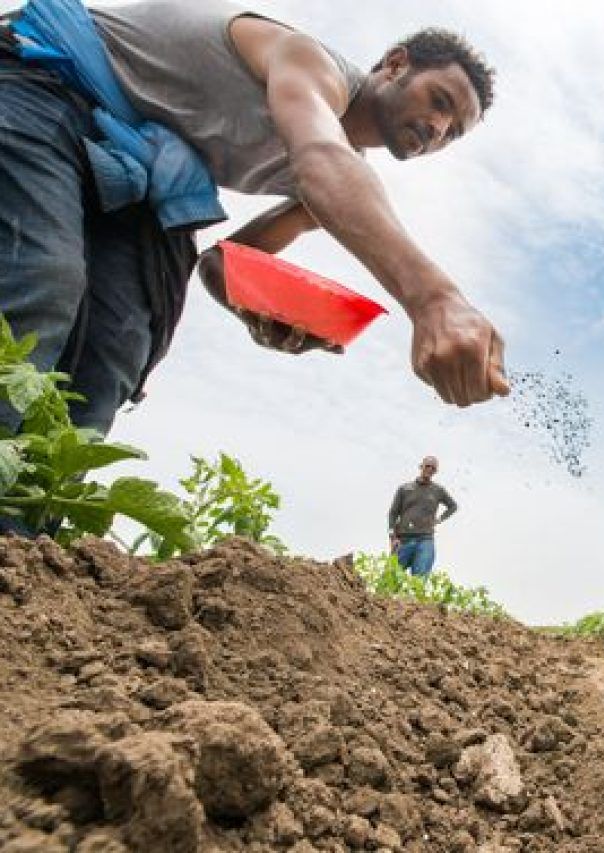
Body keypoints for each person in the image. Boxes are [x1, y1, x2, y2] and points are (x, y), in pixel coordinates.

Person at [0, 0, 510, 439]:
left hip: (130, 163)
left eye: (454, 132)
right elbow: (321, 159)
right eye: (439, 102)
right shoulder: (311, 66)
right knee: (40, 280)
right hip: (45, 76)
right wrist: (435, 299)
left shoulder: (332, 175)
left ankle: (21, 530)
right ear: (396, 65)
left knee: (115, 348)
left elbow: (224, 265)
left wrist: (263, 312)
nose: (438, 128)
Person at [388, 456, 457, 578]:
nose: (429, 469)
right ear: (421, 467)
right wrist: (392, 538)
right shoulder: (404, 488)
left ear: (435, 472)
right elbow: (393, 513)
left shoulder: (438, 490)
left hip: (425, 540)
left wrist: (440, 519)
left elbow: (453, 506)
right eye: (427, 466)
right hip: (403, 540)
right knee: (390, 579)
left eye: (433, 468)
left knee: (419, 581)